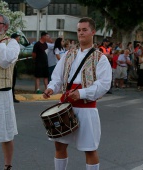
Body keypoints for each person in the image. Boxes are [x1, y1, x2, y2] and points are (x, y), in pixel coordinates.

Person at [43, 17, 112, 170]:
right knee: (59, 146)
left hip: (87, 108)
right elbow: (57, 77)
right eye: (79, 30)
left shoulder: (100, 58)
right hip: (65, 107)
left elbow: (104, 84)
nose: (81, 33)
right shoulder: (68, 55)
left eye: (84, 30)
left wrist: (81, 93)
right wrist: (51, 88)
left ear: (93, 32)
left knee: (89, 149)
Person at [0, 13, 20, 170]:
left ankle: (7, 165)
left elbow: (4, 61)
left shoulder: (12, 43)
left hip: (1, 92)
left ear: (6, 27)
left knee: (5, 133)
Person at [11, 33, 21, 103]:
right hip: (11, 66)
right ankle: (12, 97)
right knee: (11, 82)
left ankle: (12, 96)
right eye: (18, 37)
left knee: (13, 83)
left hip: (14, 65)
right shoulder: (13, 45)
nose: (19, 39)